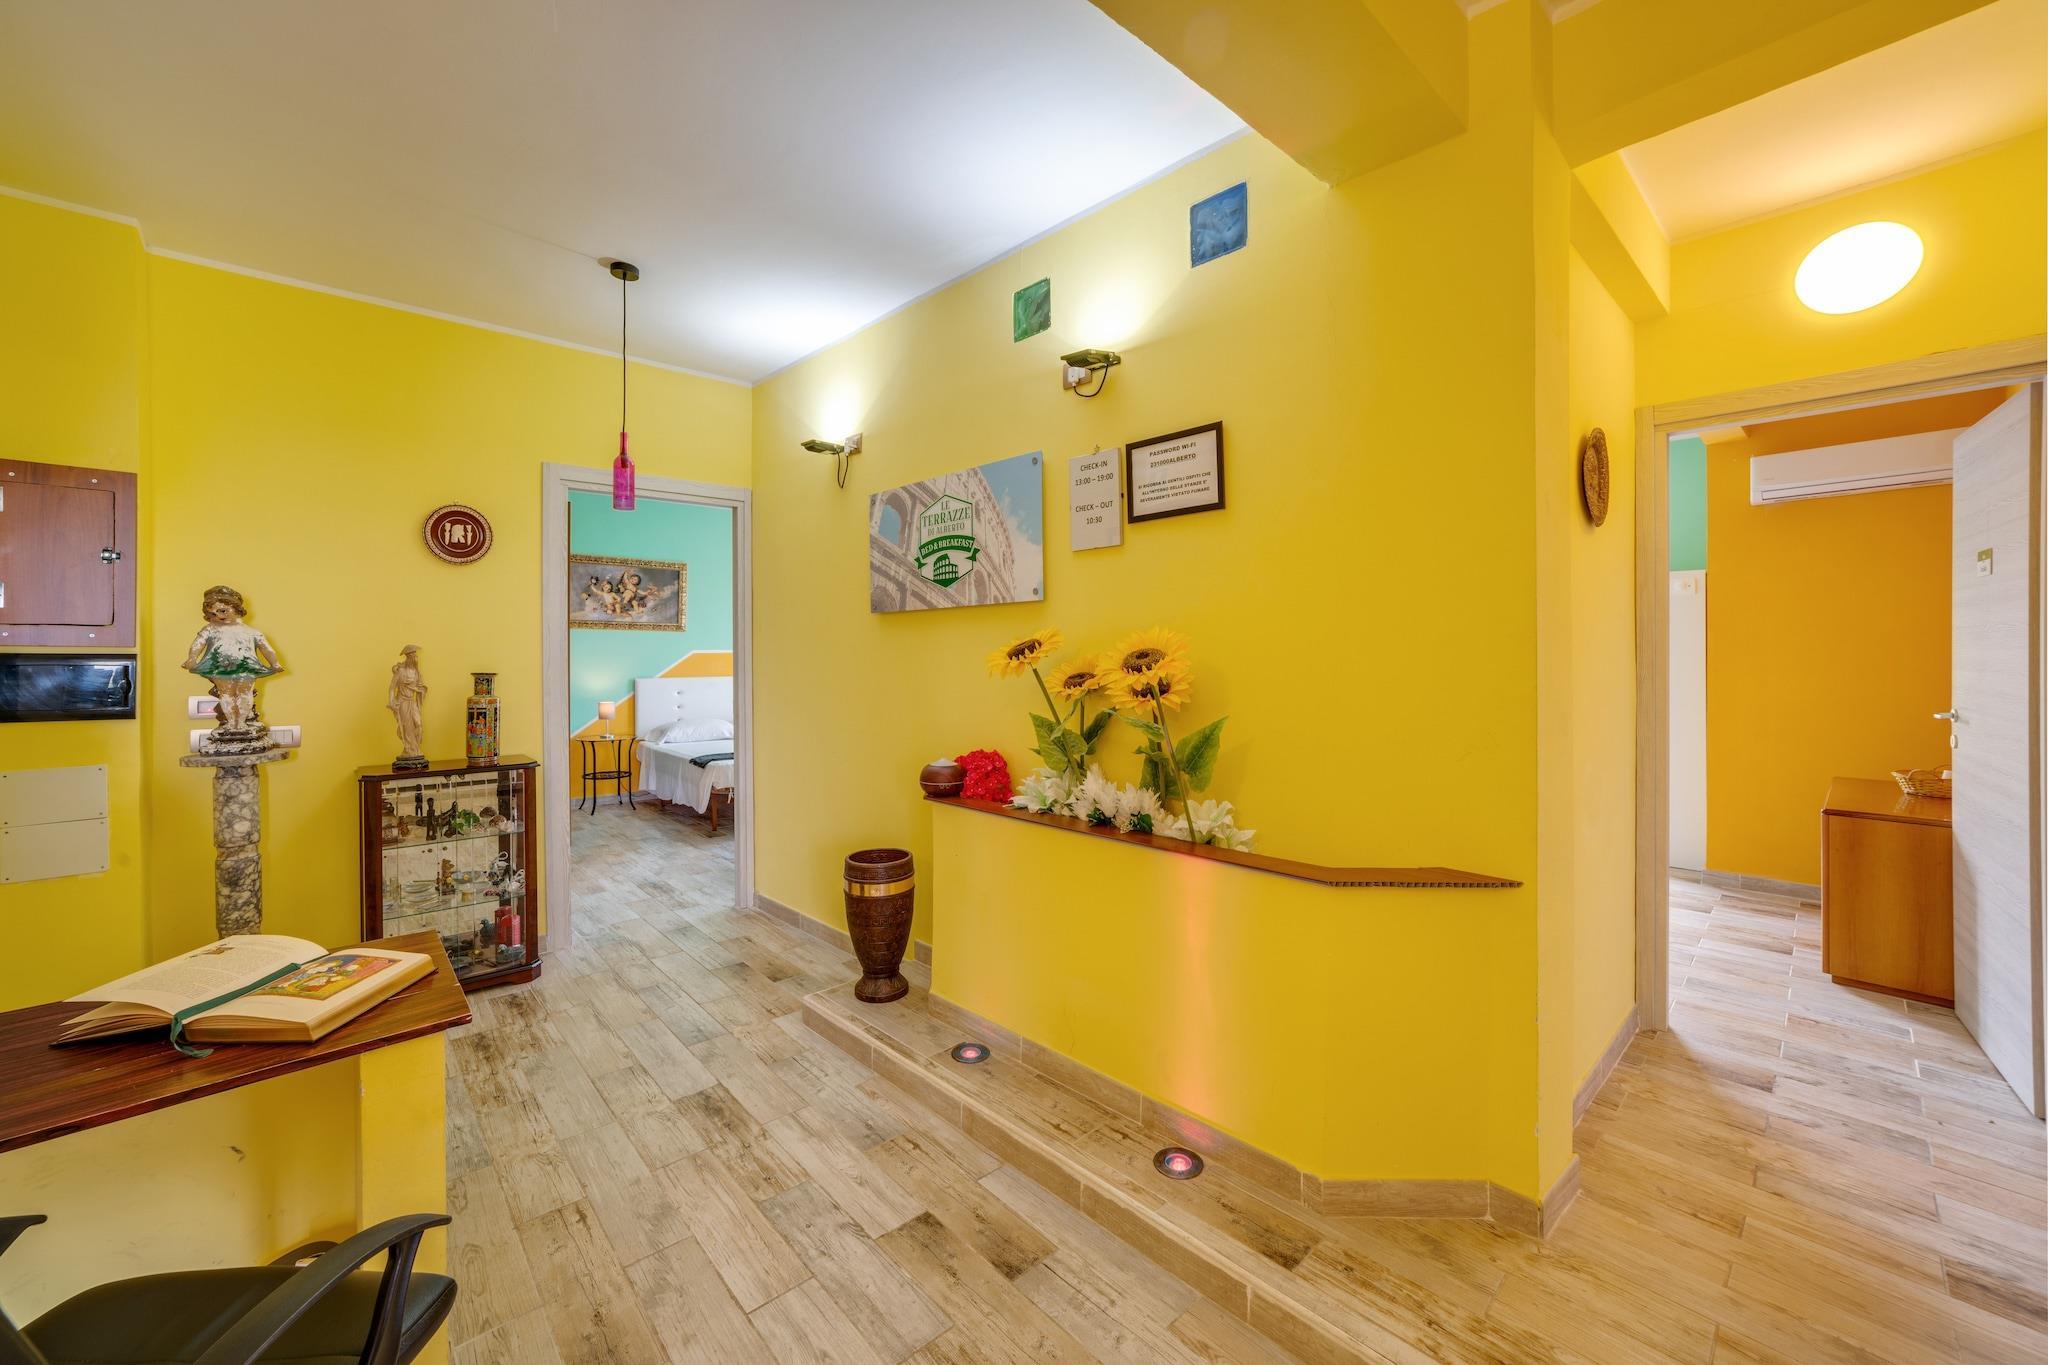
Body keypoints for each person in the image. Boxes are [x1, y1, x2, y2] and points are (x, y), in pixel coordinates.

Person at [181, 585, 281, 749]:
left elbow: (266, 648)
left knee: (244, 692)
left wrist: (274, 663)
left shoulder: (251, 631)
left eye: (223, 611)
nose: (218, 616)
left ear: (236, 608)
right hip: (220, 667)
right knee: (226, 693)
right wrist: (191, 658)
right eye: (213, 614)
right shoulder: (210, 629)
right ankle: (231, 722)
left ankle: (241, 722)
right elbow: (197, 644)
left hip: (246, 667)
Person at [389, 645, 427, 763]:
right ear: (408, 657)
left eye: (416, 656)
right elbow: (392, 688)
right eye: (413, 656)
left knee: (418, 724)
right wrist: (392, 701)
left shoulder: (416, 672)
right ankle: (409, 749)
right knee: (406, 727)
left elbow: (421, 687)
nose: (415, 659)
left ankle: (415, 748)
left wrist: (420, 689)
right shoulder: (400, 671)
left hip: (412, 701)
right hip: (402, 702)